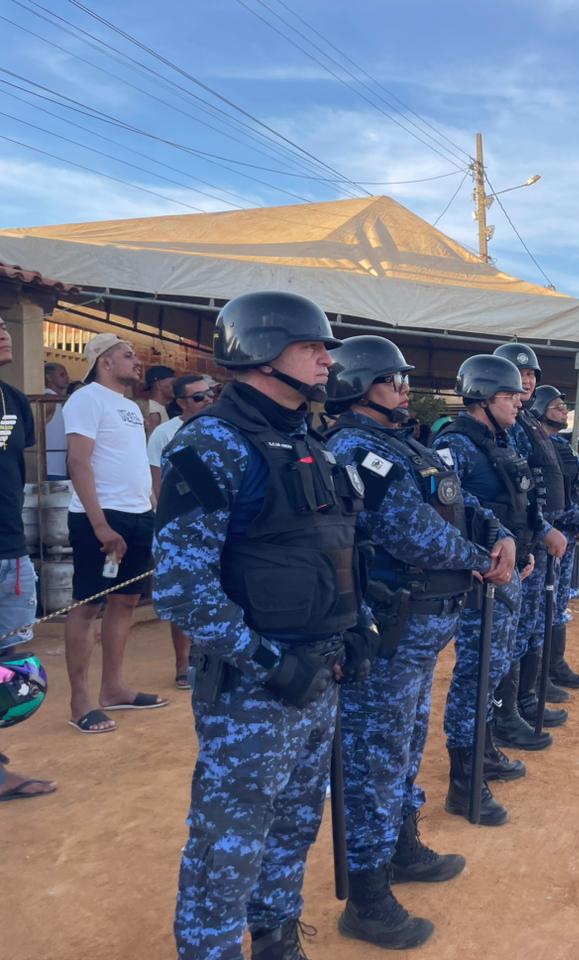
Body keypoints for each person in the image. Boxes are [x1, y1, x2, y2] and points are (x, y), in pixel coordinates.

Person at [154, 291, 378, 959]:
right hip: (254, 689)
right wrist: (271, 663)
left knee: (294, 825)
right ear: (258, 352)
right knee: (228, 843)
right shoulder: (211, 445)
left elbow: (338, 548)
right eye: (310, 346)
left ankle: (278, 941)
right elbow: (182, 590)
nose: (324, 358)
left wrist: (356, 629)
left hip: (319, 673)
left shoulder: (315, 443)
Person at [325, 336, 513, 947]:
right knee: (374, 755)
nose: (406, 388)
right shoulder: (355, 447)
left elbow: (460, 501)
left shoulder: (403, 443)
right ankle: (368, 895)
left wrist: (497, 532)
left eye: (406, 380)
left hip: (423, 626)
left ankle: (401, 847)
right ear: (356, 386)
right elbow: (410, 532)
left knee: (404, 744)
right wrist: (482, 558)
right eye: (392, 380)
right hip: (390, 627)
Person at [434, 353, 552, 799]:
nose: (518, 401)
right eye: (508, 395)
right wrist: (483, 560)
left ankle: (483, 750)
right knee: (476, 672)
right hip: (480, 578)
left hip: (509, 570)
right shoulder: (455, 445)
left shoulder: (500, 441)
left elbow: (517, 503)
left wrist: (524, 545)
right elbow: (448, 510)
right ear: (483, 397)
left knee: (495, 665)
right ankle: (464, 774)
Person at [63, 333, 166, 735]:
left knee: (124, 602)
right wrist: (99, 524)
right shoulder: (85, 398)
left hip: (137, 514)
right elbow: (78, 461)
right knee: (87, 605)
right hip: (101, 516)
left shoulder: (128, 406)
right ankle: (80, 700)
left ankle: (113, 687)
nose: (136, 362)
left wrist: (151, 508)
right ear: (104, 362)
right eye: (127, 355)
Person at [491, 343, 574, 734]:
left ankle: (525, 699)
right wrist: (539, 531)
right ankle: (510, 711)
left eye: (532, 375)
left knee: (531, 626)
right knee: (516, 631)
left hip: (536, 540)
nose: (527, 380)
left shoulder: (525, 426)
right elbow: (519, 493)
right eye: (519, 374)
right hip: (522, 543)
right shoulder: (511, 430)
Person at [0, 316, 54, 801]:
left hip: (10, 548)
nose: (2, 329)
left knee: (6, 663)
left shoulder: (14, 401)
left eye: (2, 322)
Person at [147, 374, 217, 691]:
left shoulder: (221, 430)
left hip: (216, 529)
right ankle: (181, 661)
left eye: (210, 394)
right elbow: (157, 482)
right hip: (181, 528)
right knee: (184, 597)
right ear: (181, 402)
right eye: (199, 397)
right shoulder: (166, 434)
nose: (207, 401)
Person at [529, 384, 579, 688]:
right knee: (543, 606)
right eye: (556, 406)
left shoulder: (562, 445)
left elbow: (572, 490)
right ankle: (539, 674)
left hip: (568, 534)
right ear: (540, 409)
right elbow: (548, 500)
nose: (564, 411)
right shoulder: (537, 443)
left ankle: (555, 666)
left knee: (558, 602)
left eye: (564, 406)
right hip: (550, 535)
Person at [44, 361, 70, 480]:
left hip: (59, 467)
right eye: (62, 375)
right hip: (50, 468)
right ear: (49, 377)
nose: (67, 378)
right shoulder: (48, 399)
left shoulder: (59, 401)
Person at [140, 364, 176, 437]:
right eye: (173, 383)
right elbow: (150, 442)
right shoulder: (154, 410)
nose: (175, 387)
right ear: (159, 384)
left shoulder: (158, 408)